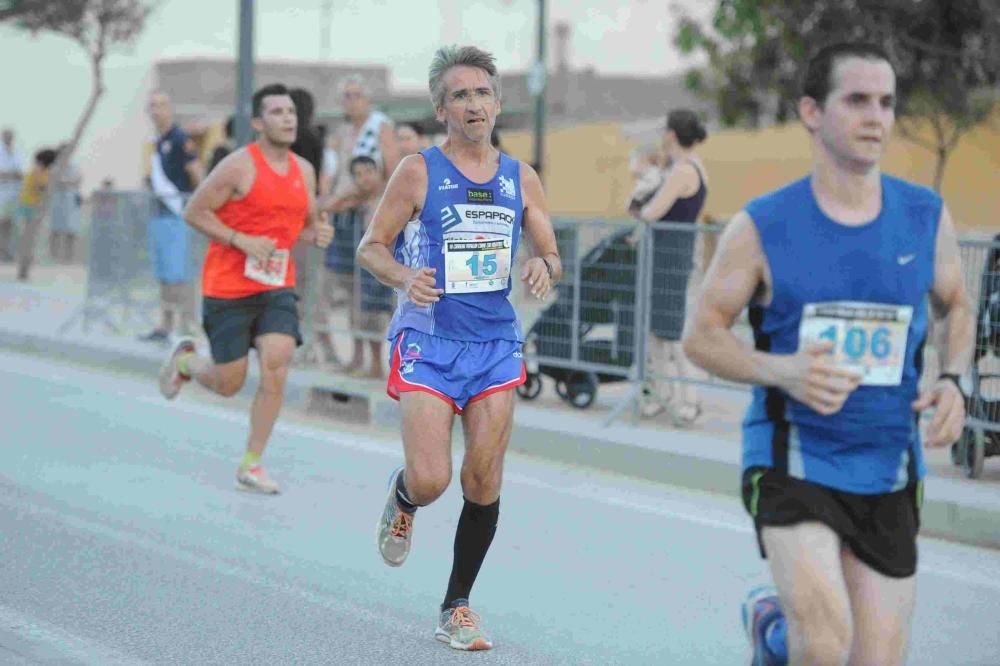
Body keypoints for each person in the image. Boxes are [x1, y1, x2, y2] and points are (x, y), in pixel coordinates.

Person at [682, 42, 973, 666]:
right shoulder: (763, 224)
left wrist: (952, 380)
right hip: (795, 457)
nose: (877, 117)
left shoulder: (924, 216)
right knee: (825, 643)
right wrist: (780, 369)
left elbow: (957, 303)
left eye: (888, 102)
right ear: (812, 112)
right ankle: (790, 634)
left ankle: (773, 633)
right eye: (858, 100)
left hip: (890, 461)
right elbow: (701, 335)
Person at [358, 45, 561, 651]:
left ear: (497, 105)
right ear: (441, 108)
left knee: (482, 477)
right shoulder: (418, 171)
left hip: (495, 342)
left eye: (482, 93)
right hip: (428, 338)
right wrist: (403, 278)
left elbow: (550, 249)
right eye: (460, 95)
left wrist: (545, 267)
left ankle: (458, 605)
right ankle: (403, 496)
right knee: (432, 478)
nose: (472, 104)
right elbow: (373, 246)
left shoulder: (521, 178)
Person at [157, 83, 333, 494]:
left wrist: (315, 232)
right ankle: (187, 363)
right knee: (228, 383)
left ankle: (252, 463)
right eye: (277, 112)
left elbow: (303, 223)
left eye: (291, 112)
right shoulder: (238, 166)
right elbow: (194, 211)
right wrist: (240, 240)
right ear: (257, 122)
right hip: (228, 287)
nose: (287, 118)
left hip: (275, 285)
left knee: (277, 360)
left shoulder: (303, 171)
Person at [632, 110, 708, 426]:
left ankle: (690, 398)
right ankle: (664, 395)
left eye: (665, 130)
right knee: (658, 331)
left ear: (672, 135)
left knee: (671, 332)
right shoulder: (685, 167)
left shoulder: (683, 171)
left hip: (670, 254)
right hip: (667, 252)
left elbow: (651, 211)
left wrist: (640, 199)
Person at [141, 91, 203, 343]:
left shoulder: (180, 138)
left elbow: (197, 173)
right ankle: (165, 324)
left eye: (162, 105)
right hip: (159, 214)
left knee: (180, 273)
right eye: (152, 106)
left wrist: (200, 207)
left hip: (178, 214)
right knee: (165, 274)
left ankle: (187, 324)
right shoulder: (157, 141)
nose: (157, 110)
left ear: (171, 109)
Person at [48, 143, 83, 264]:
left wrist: (65, 182)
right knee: (55, 230)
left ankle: (69, 258)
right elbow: (54, 181)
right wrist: (68, 182)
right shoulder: (54, 166)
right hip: (57, 200)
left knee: (71, 230)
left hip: (71, 200)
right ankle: (53, 258)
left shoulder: (75, 166)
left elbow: (78, 180)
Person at [0, 128, 25, 262]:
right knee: (2, 224)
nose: (9, 138)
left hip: (14, 194)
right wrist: (11, 175)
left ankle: (9, 253)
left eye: (11, 136)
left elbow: (21, 173)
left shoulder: (17, 152)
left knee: (11, 225)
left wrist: (14, 175)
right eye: (6, 136)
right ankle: (2, 253)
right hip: (2, 194)